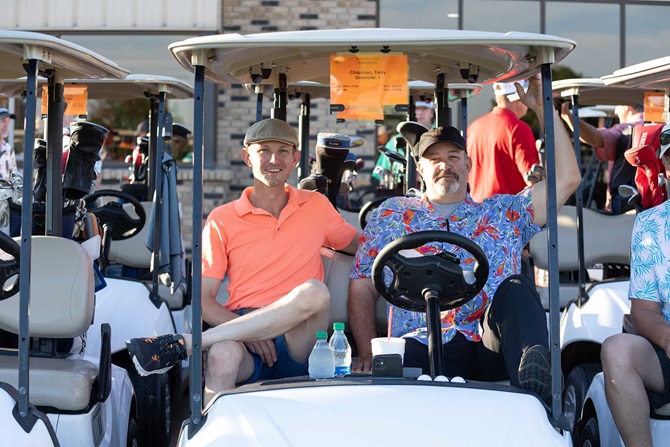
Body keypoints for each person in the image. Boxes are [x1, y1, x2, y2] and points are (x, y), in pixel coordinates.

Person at [348, 75, 581, 406]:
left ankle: (535, 396)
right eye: (435, 159)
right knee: (392, 376)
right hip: (418, 342)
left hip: (487, 345)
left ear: (469, 164)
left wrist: (542, 109)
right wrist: (366, 350)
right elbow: (361, 285)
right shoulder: (392, 215)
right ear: (420, 168)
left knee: (516, 286)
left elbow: (568, 180)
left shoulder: (503, 213)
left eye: (454, 157)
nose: (446, 165)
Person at [126, 119, 360, 404]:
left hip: (301, 336)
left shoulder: (316, 205)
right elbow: (203, 299)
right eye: (263, 150)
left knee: (315, 291)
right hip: (242, 332)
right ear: (247, 157)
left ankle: (184, 344)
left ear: (296, 158)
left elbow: (360, 247)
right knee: (222, 354)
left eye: (283, 151)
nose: (274, 159)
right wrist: (250, 330)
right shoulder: (222, 219)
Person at [599, 124, 670, 447]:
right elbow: (643, 312)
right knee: (617, 349)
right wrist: (667, 338)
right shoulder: (650, 225)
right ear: (664, 168)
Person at [560, 102, 644, 213]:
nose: (615, 111)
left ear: (627, 106)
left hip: (625, 210)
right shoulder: (658, 124)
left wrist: (567, 116)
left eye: (617, 106)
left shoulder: (628, 129)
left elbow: (596, 138)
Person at [467, 80, 542, 202]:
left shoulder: (473, 127)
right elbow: (532, 179)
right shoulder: (518, 128)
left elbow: (467, 174)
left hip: (478, 213)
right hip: (509, 214)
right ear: (518, 97)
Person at [371, 100, 435, 188]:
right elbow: (381, 177)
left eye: (424, 108)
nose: (419, 112)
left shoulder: (438, 139)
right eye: (416, 109)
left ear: (431, 112)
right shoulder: (395, 141)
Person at [0, 107, 18, 182]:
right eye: (3, 121)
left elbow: (14, 176)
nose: (7, 125)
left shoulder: (8, 149)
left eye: (8, 121)